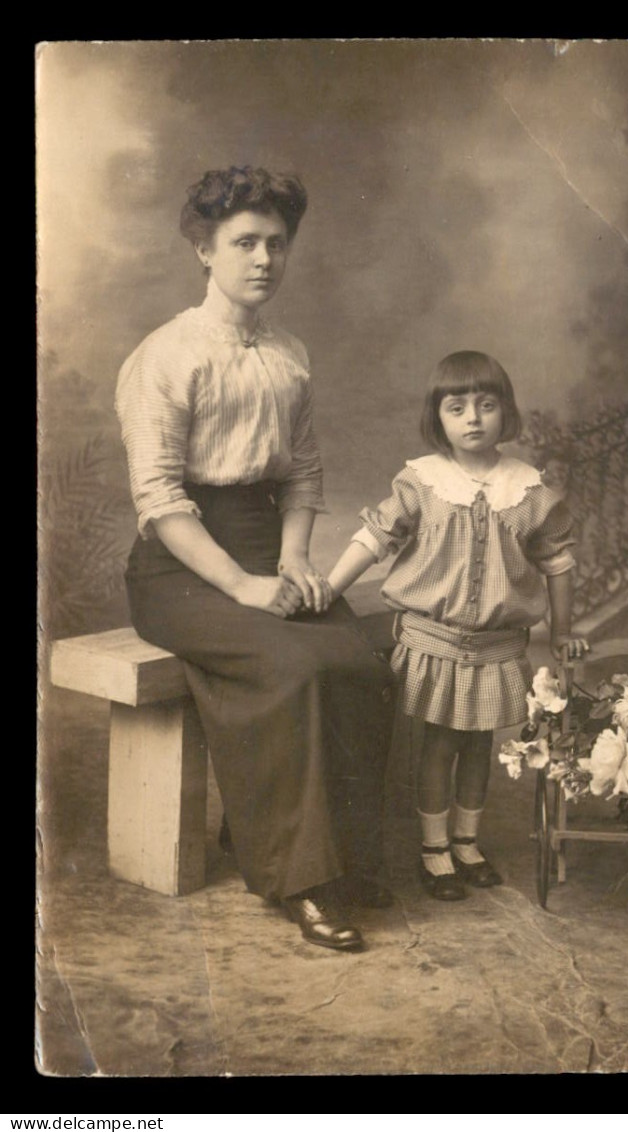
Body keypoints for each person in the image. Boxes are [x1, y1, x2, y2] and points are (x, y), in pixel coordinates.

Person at [115, 165, 395, 950]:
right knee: (291, 667)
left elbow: (302, 473)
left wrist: (298, 560)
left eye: (277, 242)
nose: (264, 258)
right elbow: (161, 502)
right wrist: (242, 584)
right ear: (203, 249)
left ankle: (339, 854)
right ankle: (300, 878)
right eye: (244, 242)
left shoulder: (289, 353)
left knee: (361, 664)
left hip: (268, 544)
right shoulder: (164, 356)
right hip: (180, 569)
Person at [326, 351, 589, 900]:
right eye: (457, 407)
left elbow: (558, 562)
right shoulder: (424, 481)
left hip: (497, 645)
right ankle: (433, 849)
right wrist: (330, 588)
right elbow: (376, 537)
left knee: (478, 745)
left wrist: (563, 633)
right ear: (438, 417)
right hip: (434, 640)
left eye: (486, 405)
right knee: (439, 743)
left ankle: (468, 842)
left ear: (505, 413)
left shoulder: (527, 490)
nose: (473, 418)